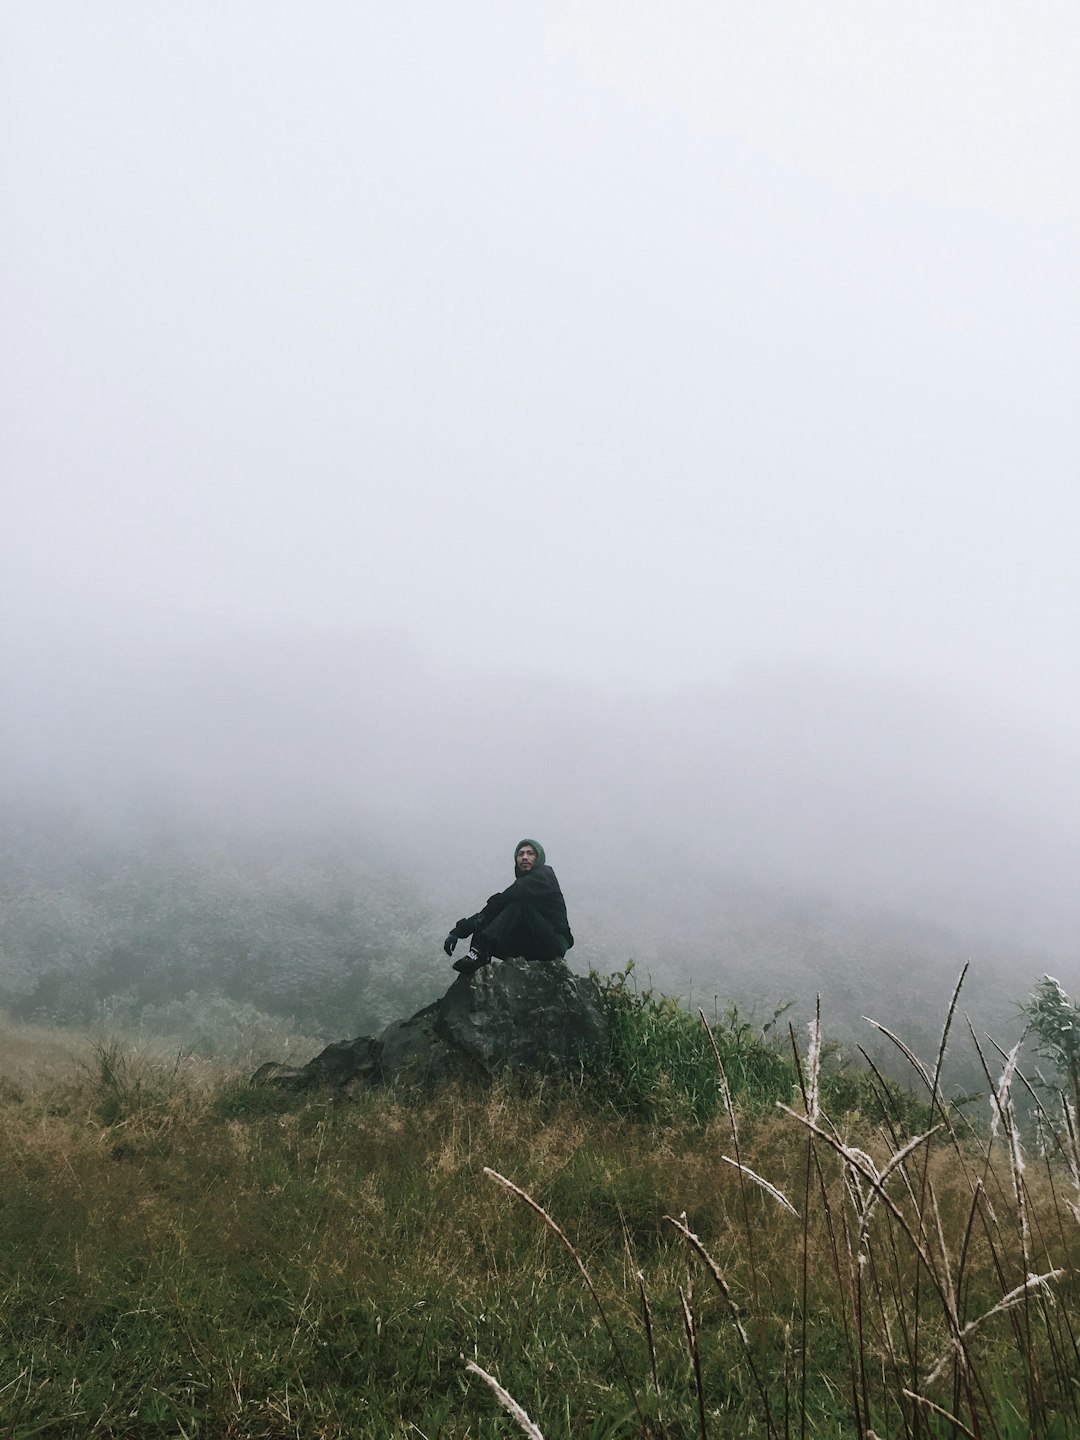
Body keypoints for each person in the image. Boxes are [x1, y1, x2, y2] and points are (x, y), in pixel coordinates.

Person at [443, 838, 574, 975]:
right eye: (520, 854)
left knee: (518, 904)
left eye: (530, 853)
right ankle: (477, 964)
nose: (524, 857)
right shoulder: (521, 884)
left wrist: (472, 925)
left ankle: (480, 951)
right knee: (485, 922)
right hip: (531, 945)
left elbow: (505, 898)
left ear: (539, 858)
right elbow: (494, 909)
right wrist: (458, 931)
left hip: (553, 943)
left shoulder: (545, 876)